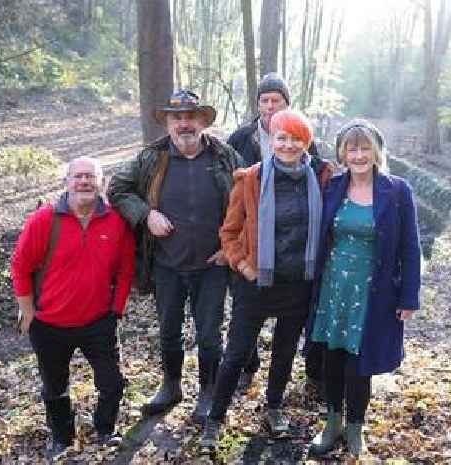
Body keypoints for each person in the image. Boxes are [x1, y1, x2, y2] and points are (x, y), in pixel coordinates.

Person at [199, 109, 333, 450]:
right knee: (236, 354)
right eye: (282, 137)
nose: (288, 145)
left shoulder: (321, 177)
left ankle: (274, 406)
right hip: (255, 282)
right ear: (270, 139)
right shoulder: (250, 178)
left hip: (298, 283)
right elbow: (228, 233)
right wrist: (243, 266)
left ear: (307, 142)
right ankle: (215, 418)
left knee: (285, 351)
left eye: (296, 138)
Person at [107, 90, 243, 423]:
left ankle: (208, 392)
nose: (184, 124)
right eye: (176, 118)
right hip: (166, 264)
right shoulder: (150, 158)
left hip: (213, 264)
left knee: (210, 334)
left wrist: (231, 249)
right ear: (168, 123)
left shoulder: (226, 158)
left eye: (190, 117)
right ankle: (170, 386)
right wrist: (145, 215)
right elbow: (116, 190)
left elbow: (250, 204)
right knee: (168, 330)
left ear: (202, 121)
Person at [307, 120, 421, 458]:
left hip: (373, 291)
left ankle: (355, 428)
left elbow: (410, 248)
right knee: (331, 357)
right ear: (342, 153)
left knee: (360, 362)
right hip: (333, 287)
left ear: (376, 151)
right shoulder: (333, 186)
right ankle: (332, 422)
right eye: (351, 148)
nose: (358, 155)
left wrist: (409, 296)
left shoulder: (397, 191)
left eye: (364, 147)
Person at [11, 156, 135, 460]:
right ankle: (61, 437)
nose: (84, 182)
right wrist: (28, 311)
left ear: (101, 183)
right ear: (67, 182)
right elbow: (20, 266)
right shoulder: (44, 219)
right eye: (78, 176)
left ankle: (106, 429)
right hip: (49, 324)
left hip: (98, 322)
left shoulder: (116, 222)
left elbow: (126, 269)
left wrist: (116, 309)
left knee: (113, 383)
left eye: (90, 177)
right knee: (55, 387)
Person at [226, 72, 323, 393]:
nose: (268, 106)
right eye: (263, 100)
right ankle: (246, 368)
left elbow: (321, 181)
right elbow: (229, 189)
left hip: (294, 264)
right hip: (250, 250)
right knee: (242, 333)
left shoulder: (304, 145)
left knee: (287, 341)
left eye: (275, 100)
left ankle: (278, 396)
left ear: (286, 104)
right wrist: (235, 254)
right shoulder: (241, 139)